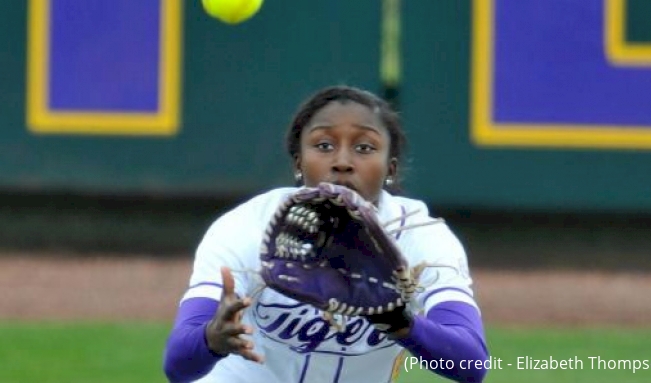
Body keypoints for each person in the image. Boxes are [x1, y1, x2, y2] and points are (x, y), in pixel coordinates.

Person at [163, 85, 489, 382]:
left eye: (364, 147)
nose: (343, 161)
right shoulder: (247, 228)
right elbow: (178, 365)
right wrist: (211, 339)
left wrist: (397, 321)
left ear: (390, 168)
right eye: (323, 145)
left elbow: (472, 366)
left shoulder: (421, 238)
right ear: (298, 162)